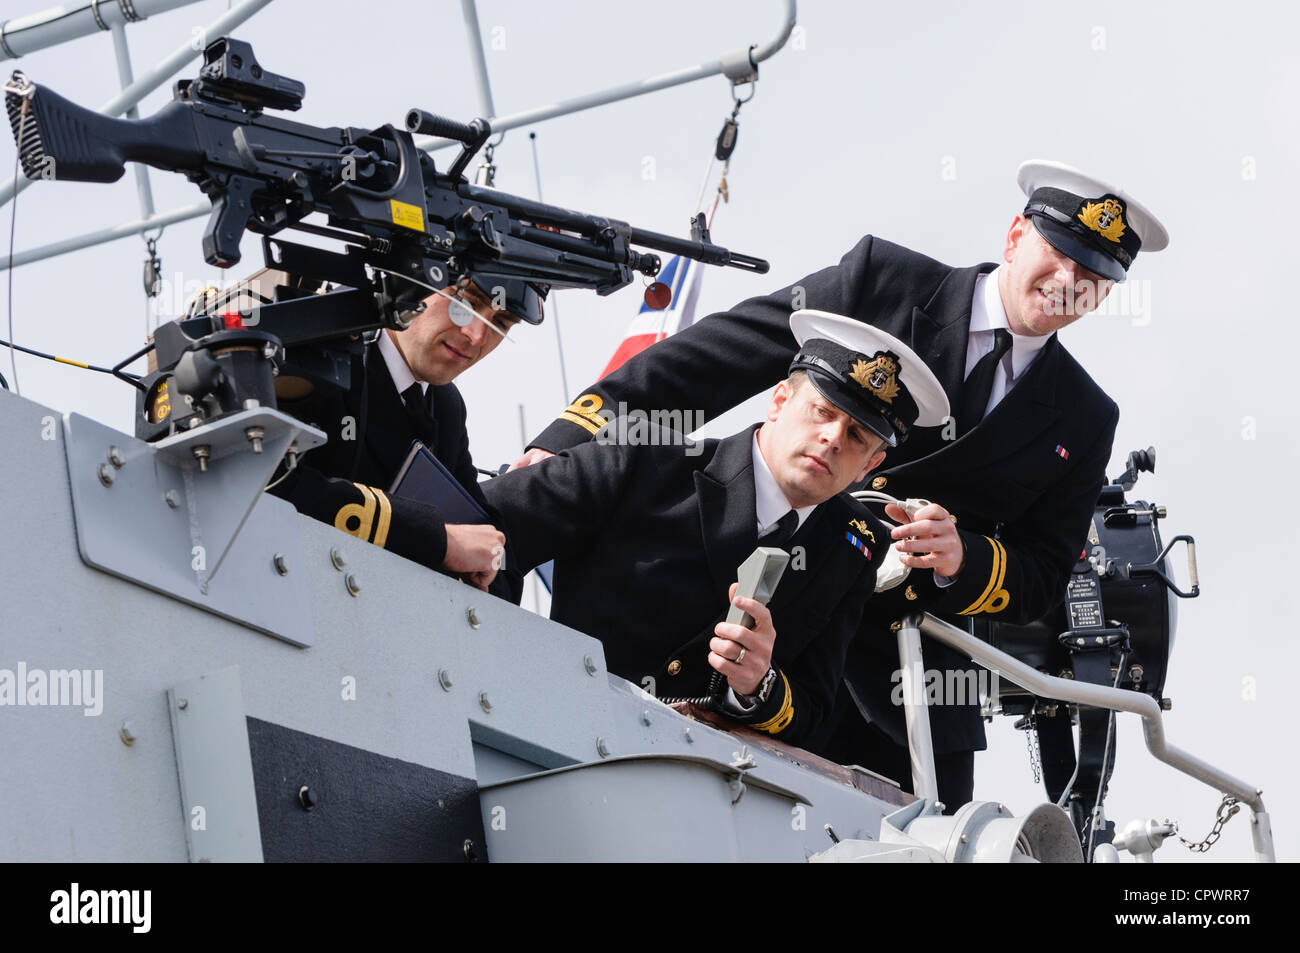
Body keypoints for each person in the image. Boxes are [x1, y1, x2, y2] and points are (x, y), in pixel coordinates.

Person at [511, 160, 1168, 806]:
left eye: (1094, 276)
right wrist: (567, 439)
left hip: (917, 684)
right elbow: (713, 359)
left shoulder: (1085, 416)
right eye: (1058, 254)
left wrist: (963, 557)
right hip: (782, 628)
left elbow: (1044, 571)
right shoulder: (885, 280)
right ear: (1016, 236)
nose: (1068, 283)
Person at [483, 314, 948, 746]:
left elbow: (812, 709)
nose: (832, 439)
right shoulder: (642, 457)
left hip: (703, 786)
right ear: (780, 400)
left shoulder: (856, 546)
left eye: (856, 436)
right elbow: (489, 527)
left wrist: (756, 685)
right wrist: (510, 666)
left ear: (871, 465)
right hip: (554, 736)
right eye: (822, 412)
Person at [270, 274, 546, 594]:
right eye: (465, 303)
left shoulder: (445, 405)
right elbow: (267, 483)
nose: (476, 334)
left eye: (502, 321)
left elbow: (492, 558)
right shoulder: (315, 350)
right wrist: (438, 541)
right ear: (406, 283)